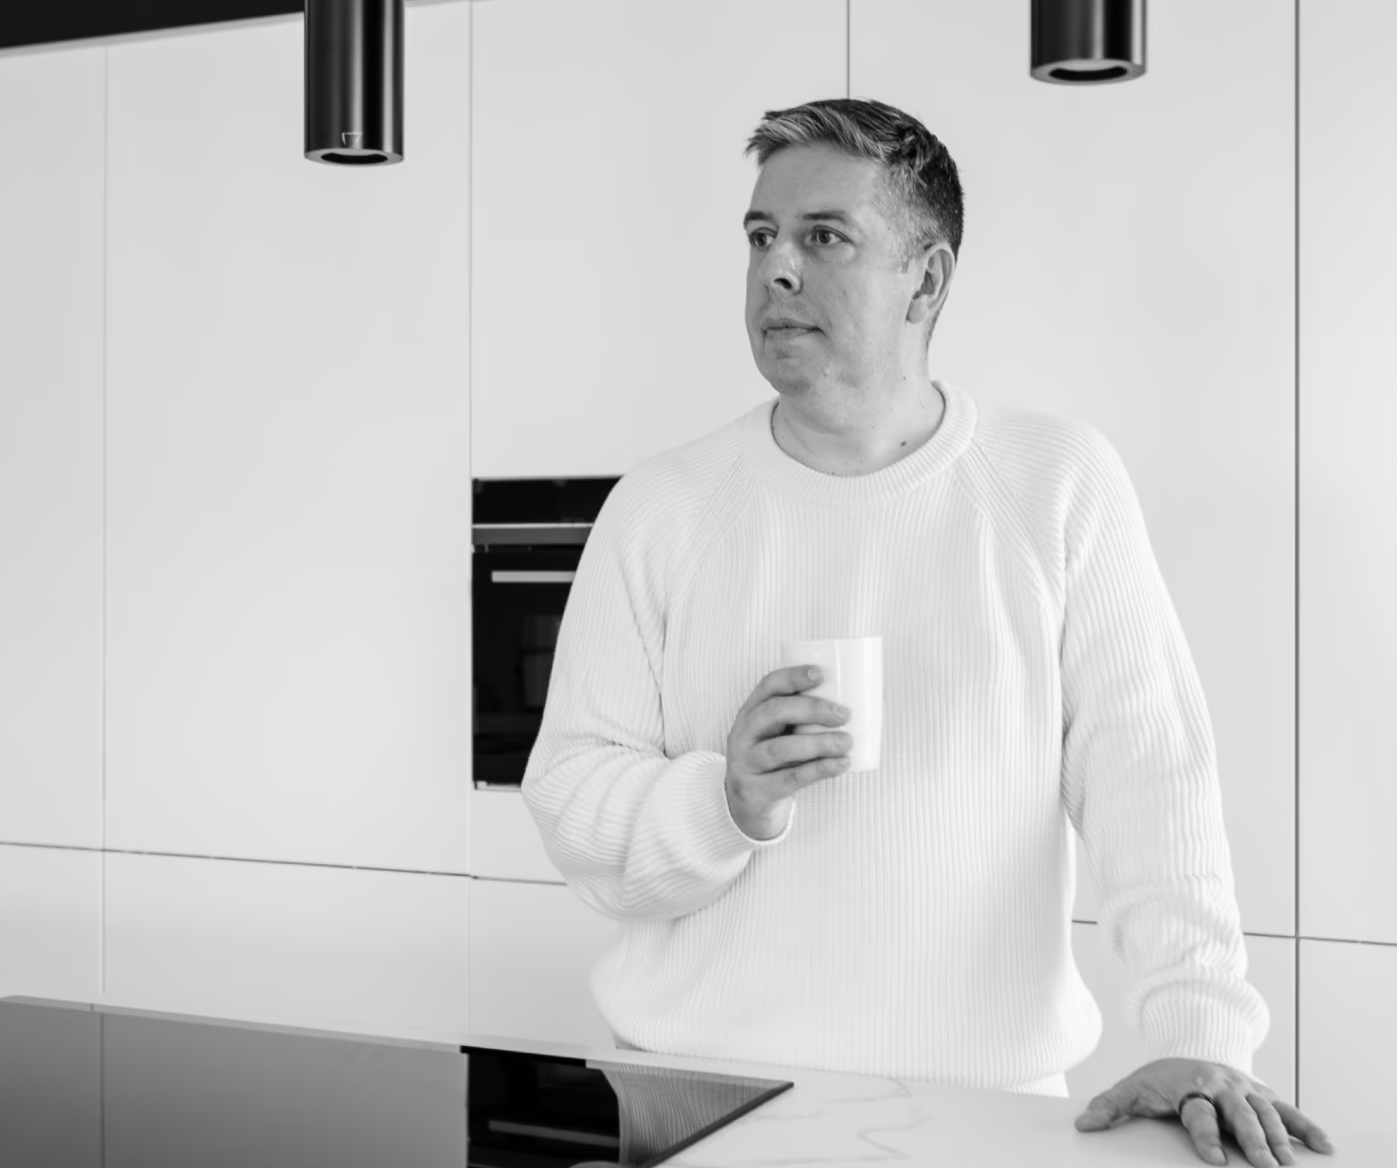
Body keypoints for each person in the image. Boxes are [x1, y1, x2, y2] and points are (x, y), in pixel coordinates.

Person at [521, 98, 1332, 1168]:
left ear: (929, 278)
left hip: (981, 1126)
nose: (776, 270)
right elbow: (572, 797)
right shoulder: (663, 506)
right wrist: (726, 798)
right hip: (688, 1112)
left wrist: (1201, 1040)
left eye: (825, 238)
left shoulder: (1054, 484)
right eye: (762, 237)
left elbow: (1153, 784)